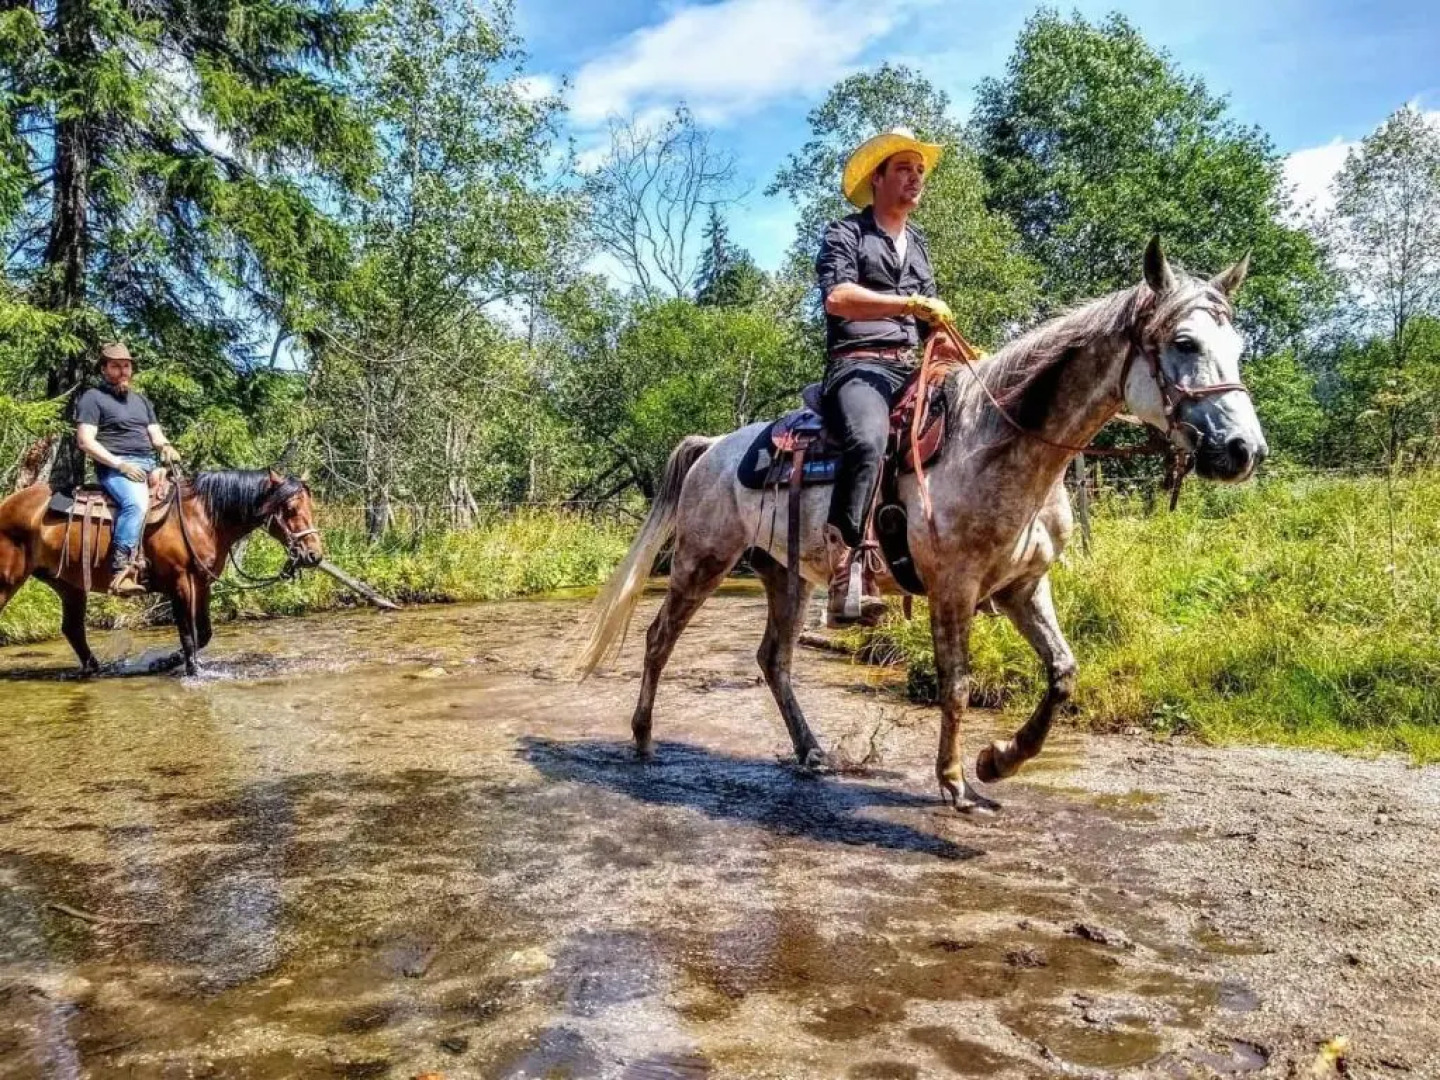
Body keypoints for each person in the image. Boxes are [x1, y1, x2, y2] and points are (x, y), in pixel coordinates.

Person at [814, 128, 956, 627]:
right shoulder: (845, 234)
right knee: (869, 440)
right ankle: (846, 566)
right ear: (877, 178)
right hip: (858, 364)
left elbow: (931, 323)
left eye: (919, 171)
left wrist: (959, 352)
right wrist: (908, 302)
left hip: (911, 366)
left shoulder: (917, 245)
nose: (915, 179)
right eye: (903, 169)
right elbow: (838, 298)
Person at [74, 342, 182, 595]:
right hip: (115, 466)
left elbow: (156, 435)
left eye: (126, 366)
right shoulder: (93, 398)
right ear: (104, 369)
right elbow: (85, 441)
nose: (122, 371)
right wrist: (120, 465)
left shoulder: (141, 401)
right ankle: (120, 569)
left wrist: (166, 447)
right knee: (136, 503)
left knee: (182, 497)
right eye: (115, 366)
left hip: (149, 464)